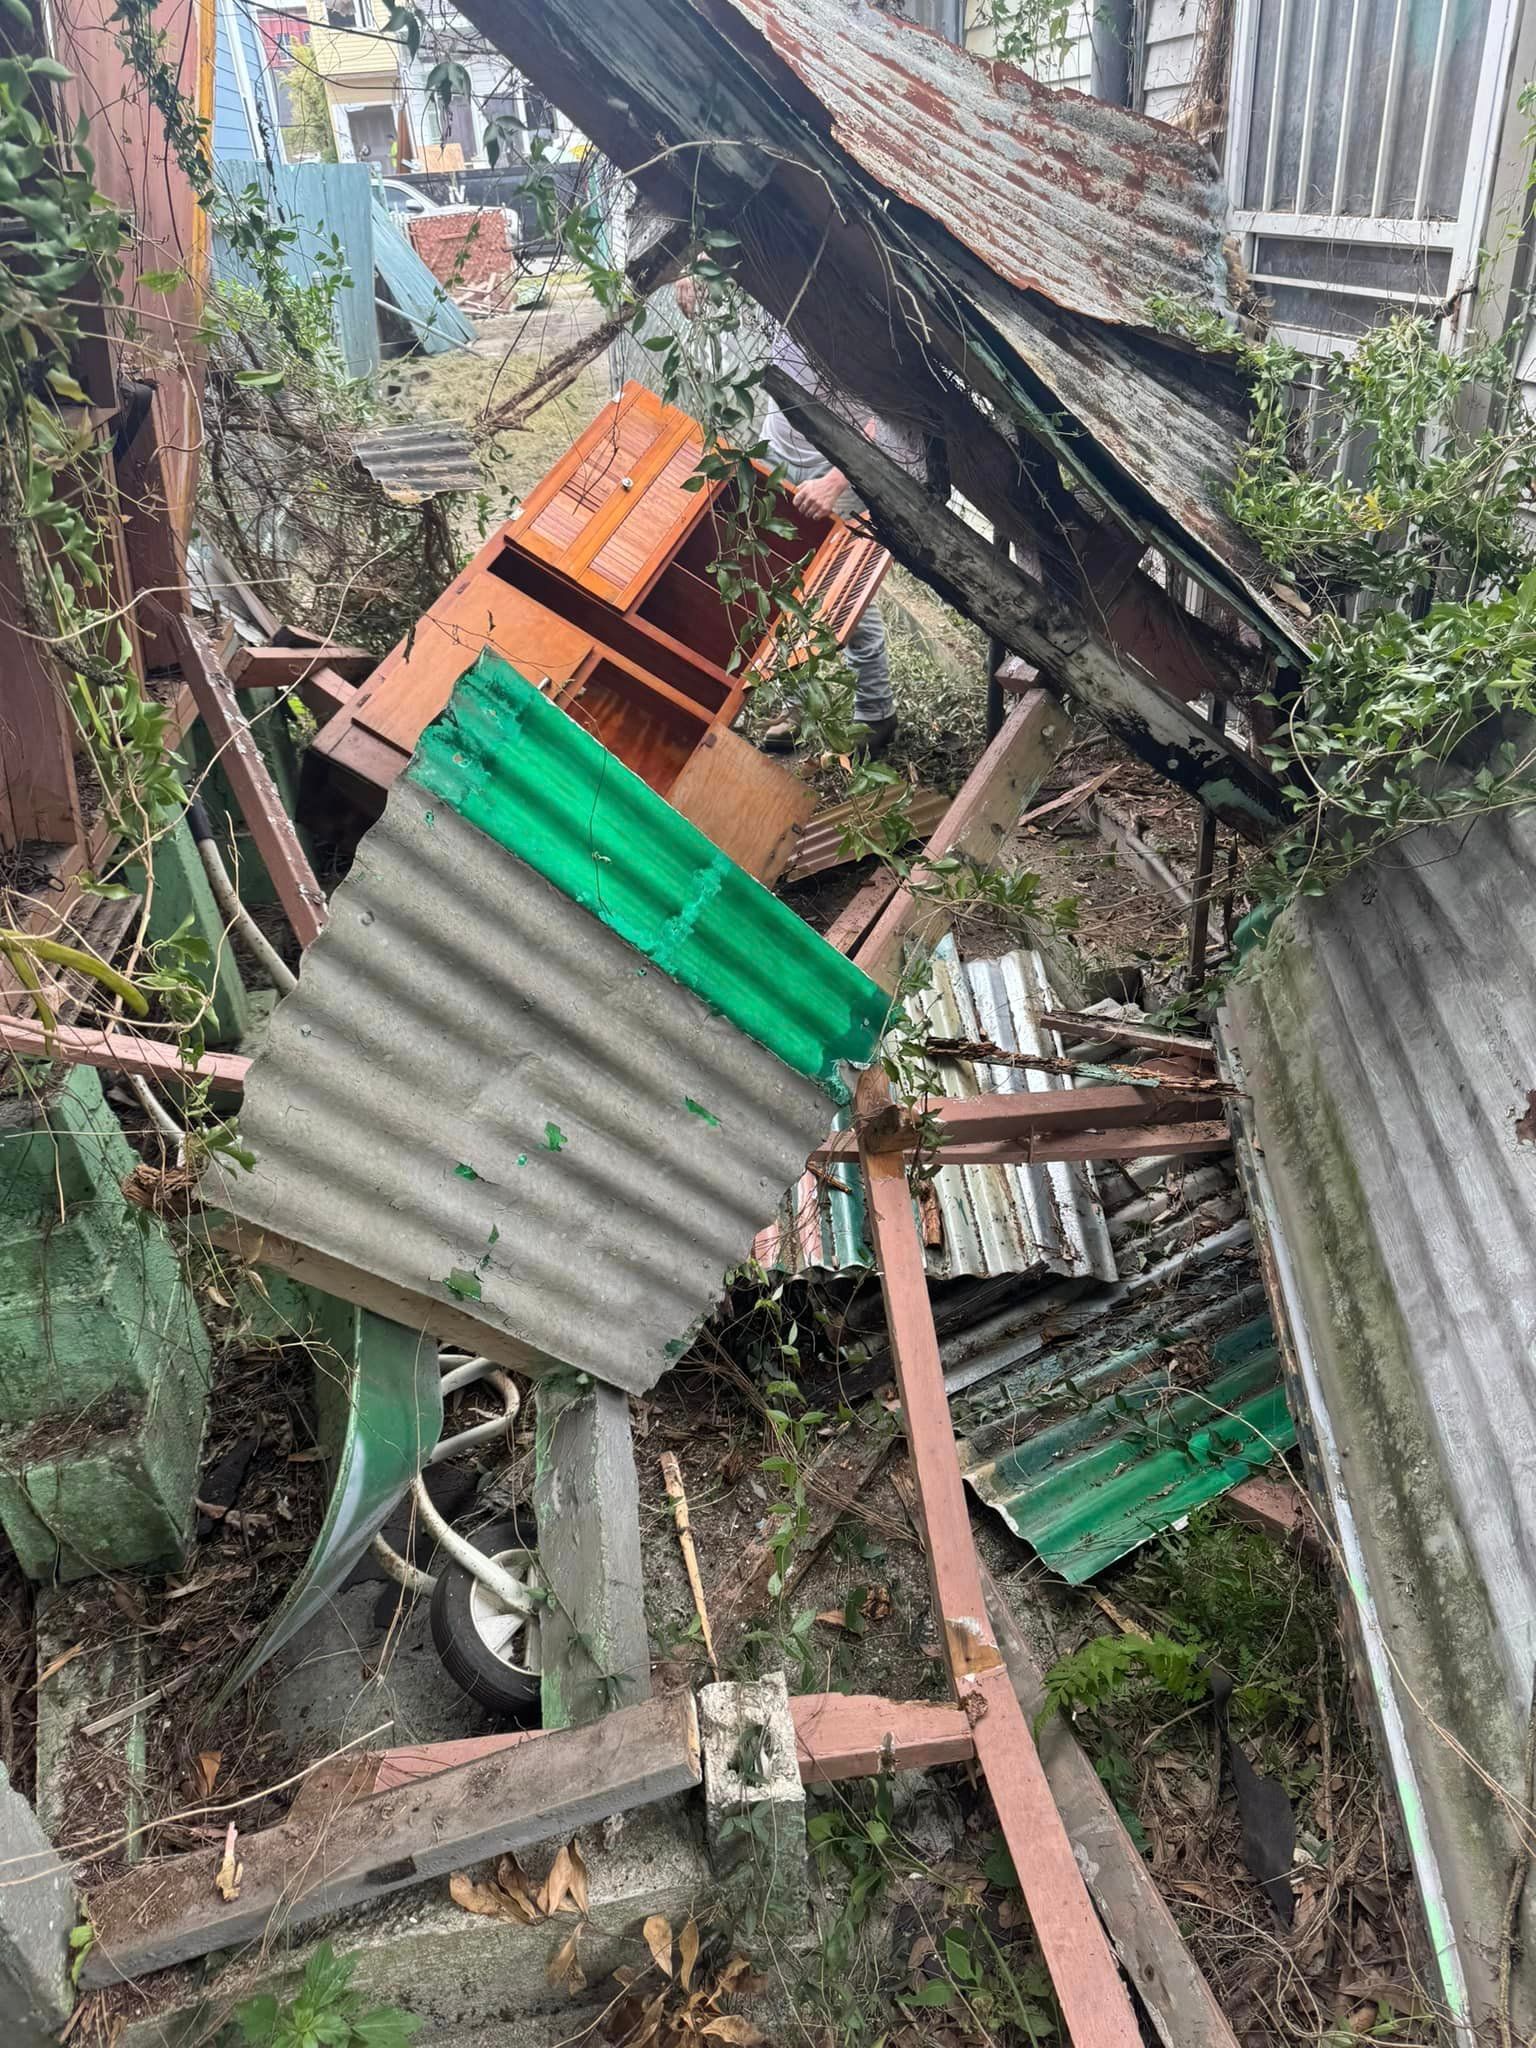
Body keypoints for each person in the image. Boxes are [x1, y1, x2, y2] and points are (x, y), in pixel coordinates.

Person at [674, 282, 897, 754]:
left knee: (842, 590)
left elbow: (888, 423)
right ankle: (796, 706)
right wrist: (698, 277)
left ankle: (877, 712)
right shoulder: (785, 285)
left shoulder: (867, 323)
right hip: (778, 449)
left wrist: (836, 483)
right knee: (779, 578)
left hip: (841, 465)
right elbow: (732, 273)